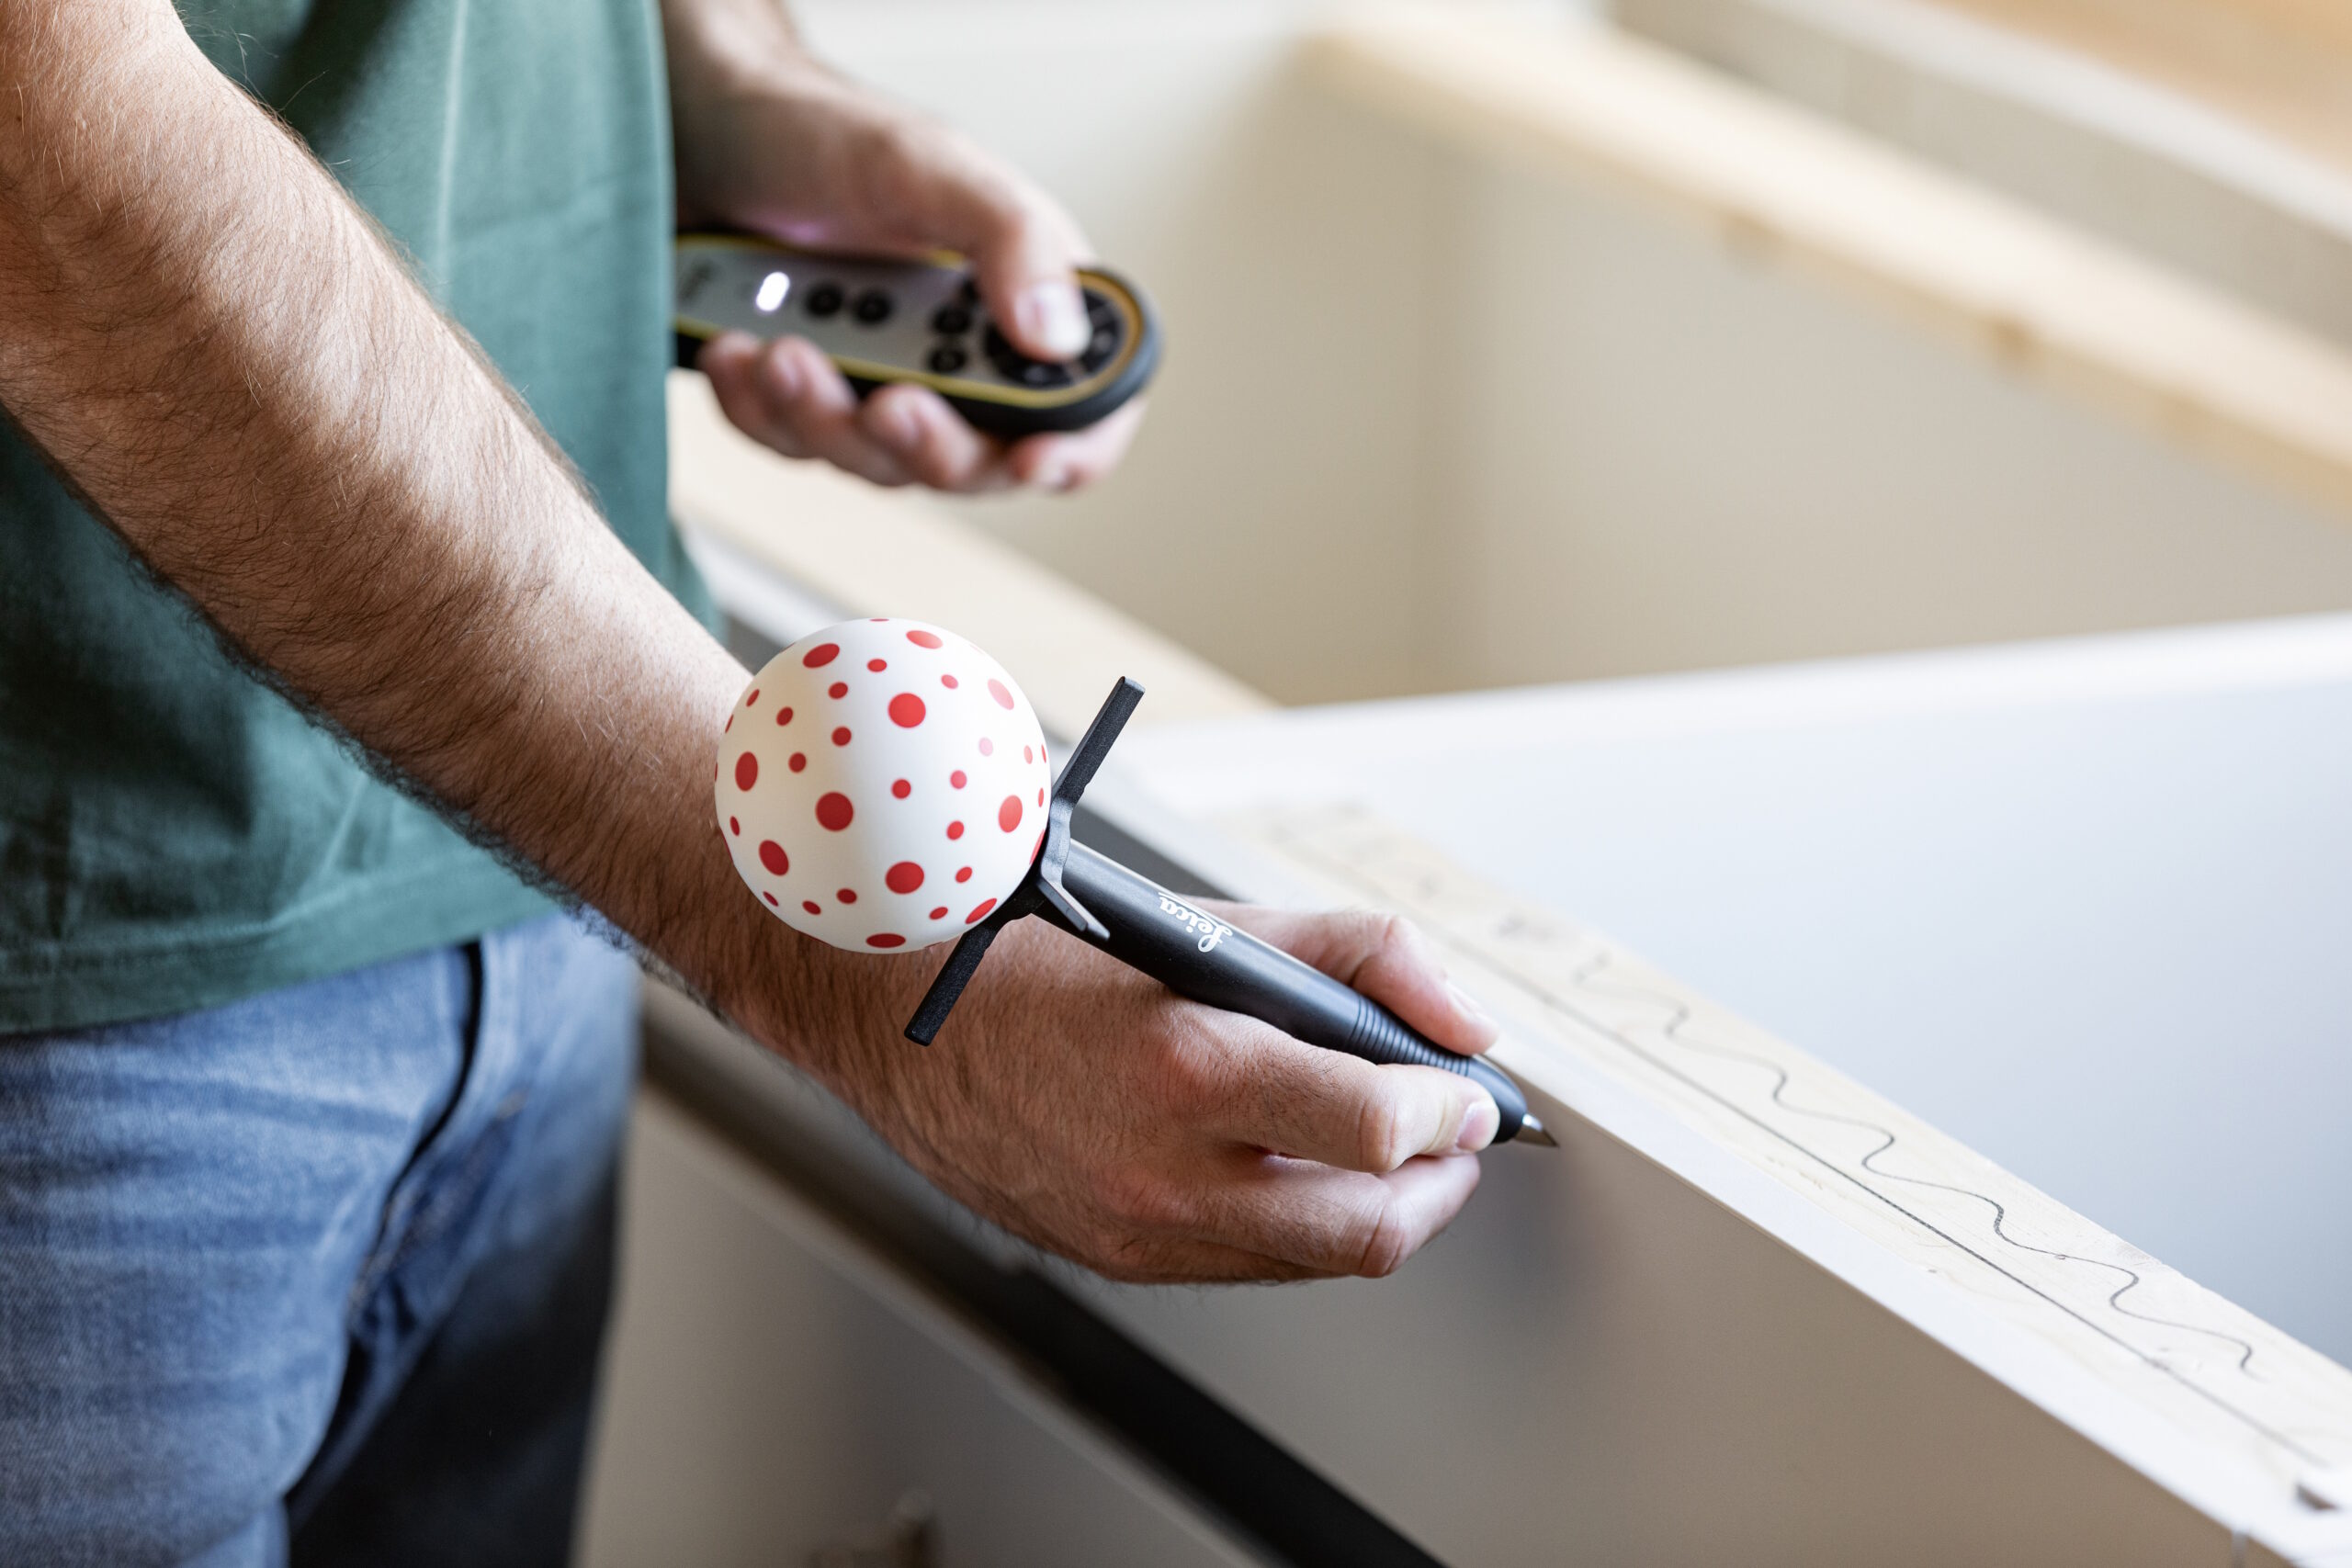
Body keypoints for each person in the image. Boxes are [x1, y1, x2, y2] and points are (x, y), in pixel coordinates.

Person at [0, 1, 1508, 1562]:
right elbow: (37, 130)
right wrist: (833, 950)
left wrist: (725, 81)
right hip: (78, 985)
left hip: (539, 847)